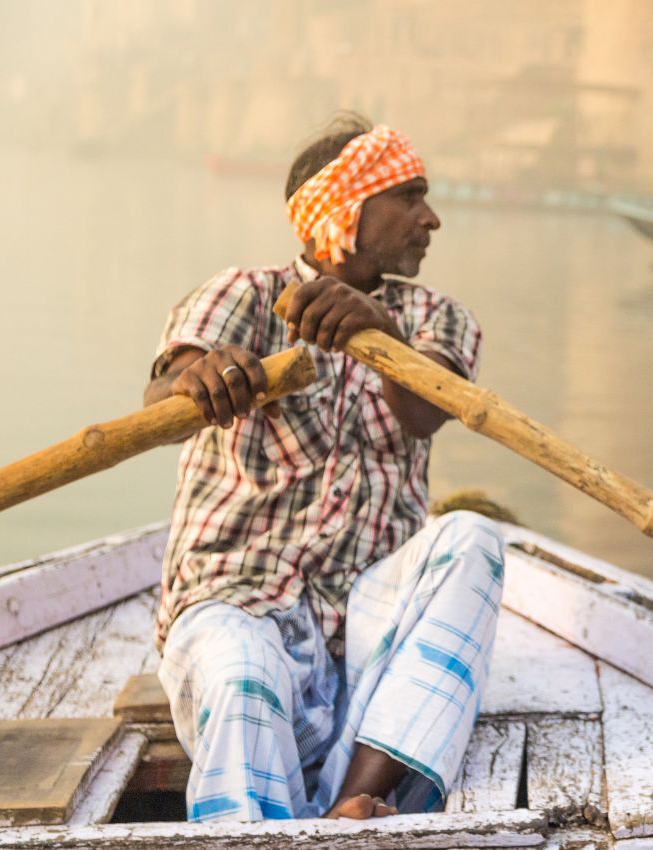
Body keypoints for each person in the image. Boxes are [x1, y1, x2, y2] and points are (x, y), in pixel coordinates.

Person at [141, 114, 501, 822]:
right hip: (237, 599)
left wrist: (381, 332)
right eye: (409, 196)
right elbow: (162, 394)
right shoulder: (242, 294)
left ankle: (355, 799)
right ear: (342, 206)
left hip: (369, 627)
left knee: (472, 540)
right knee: (243, 678)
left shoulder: (435, 317)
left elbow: (426, 410)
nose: (430, 219)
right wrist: (202, 375)